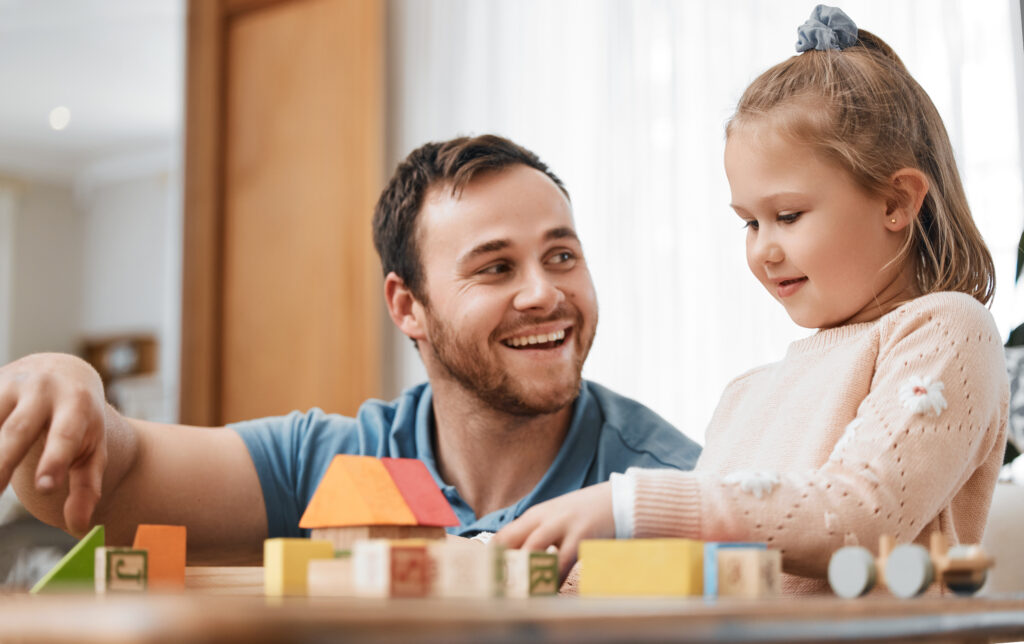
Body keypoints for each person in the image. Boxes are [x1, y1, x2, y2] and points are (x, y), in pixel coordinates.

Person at [495, 6, 1009, 595]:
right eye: (749, 223)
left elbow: (860, 516)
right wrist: (507, 567)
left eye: (787, 216)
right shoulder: (747, 395)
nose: (764, 249)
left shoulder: (945, 331)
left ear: (896, 201)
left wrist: (631, 502)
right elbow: (702, 575)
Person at [0, 135, 701, 563]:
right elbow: (90, 485)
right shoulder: (327, 462)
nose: (544, 293)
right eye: (495, 267)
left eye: (561, 256)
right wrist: (55, 381)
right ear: (407, 306)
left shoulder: (672, 489)